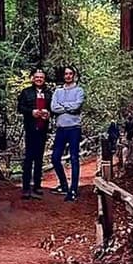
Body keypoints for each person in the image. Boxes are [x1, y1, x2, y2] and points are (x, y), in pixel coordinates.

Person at [16, 68, 52, 200]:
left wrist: (48, 113)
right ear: (32, 78)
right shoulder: (26, 92)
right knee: (28, 158)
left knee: (39, 158)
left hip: (43, 128)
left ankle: (37, 186)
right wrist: (32, 112)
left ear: (44, 79)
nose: (39, 79)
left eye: (41, 77)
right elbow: (20, 107)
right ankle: (26, 188)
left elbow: (52, 108)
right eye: (36, 77)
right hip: (30, 128)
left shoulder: (48, 93)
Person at [51, 65, 85, 201]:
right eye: (66, 74)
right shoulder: (58, 92)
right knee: (55, 158)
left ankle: (73, 189)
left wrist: (63, 106)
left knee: (74, 158)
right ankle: (64, 184)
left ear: (74, 75)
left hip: (74, 129)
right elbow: (53, 107)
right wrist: (68, 107)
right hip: (61, 128)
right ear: (63, 76)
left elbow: (77, 106)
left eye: (70, 74)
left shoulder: (79, 90)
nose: (68, 76)